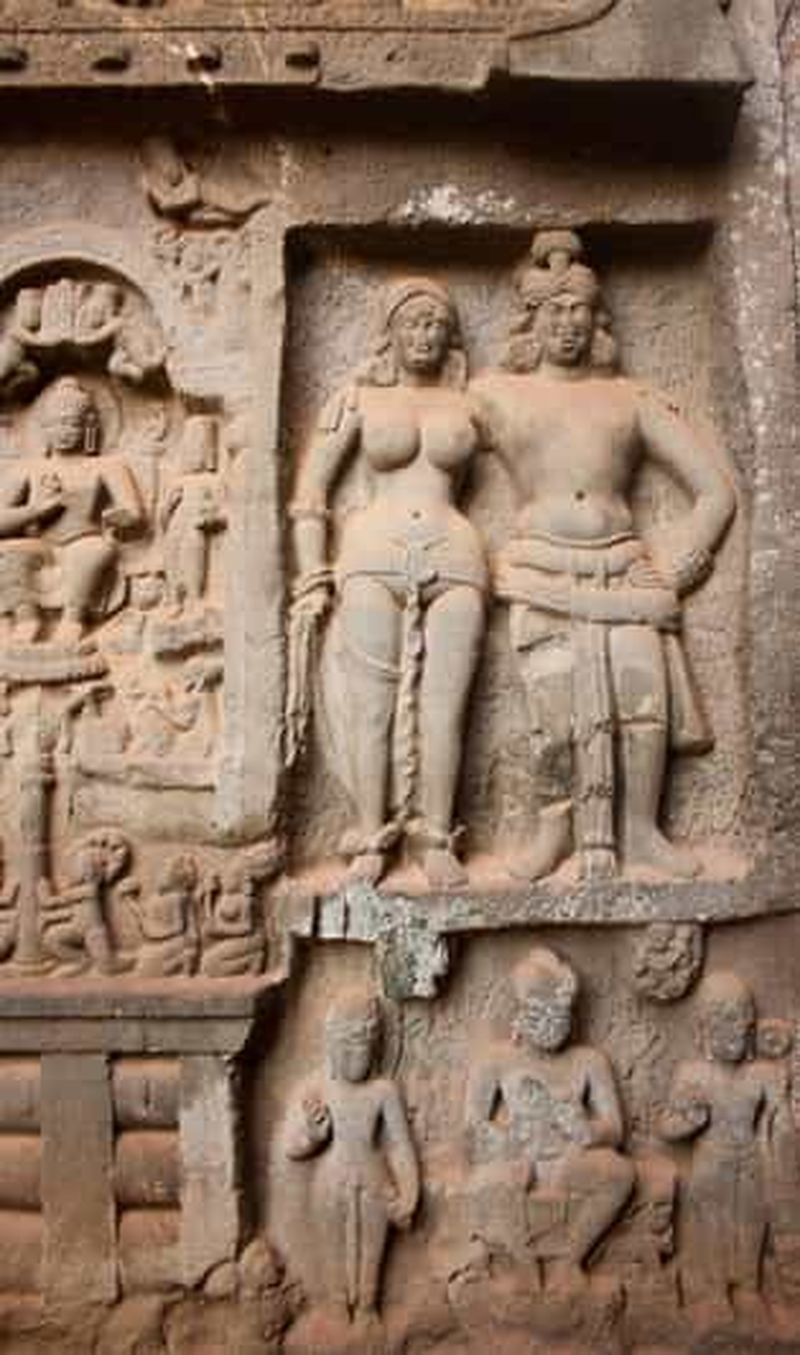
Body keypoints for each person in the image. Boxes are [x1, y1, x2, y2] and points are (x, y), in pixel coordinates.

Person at [471, 231, 736, 881]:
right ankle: (554, 830)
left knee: (644, 705)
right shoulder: (494, 396)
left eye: (579, 311)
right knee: (553, 711)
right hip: (540, 571)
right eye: (554, 311)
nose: (568, 324)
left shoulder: (629, 399)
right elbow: (434, 450)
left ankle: (642, 831)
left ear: (597, 319)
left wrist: (681, 564)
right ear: (531, 320)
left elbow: (713, 491)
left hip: (623, 568)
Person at [288, 278, 487, 887]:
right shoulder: (358, 399)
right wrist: (312, 573)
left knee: (446, 707)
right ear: (390, 333)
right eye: (413, 323)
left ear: (450, 336)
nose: (425, 335)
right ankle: (372, 835)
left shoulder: (472, 404)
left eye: (436, 325)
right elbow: (311, 492)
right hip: (372, 554)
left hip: (456, 555)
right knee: (371, 706)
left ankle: (436, 837)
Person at [465, 948, 634, 1291]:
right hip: (518, 1159)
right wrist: (507, 1139)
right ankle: (523, 1262)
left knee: (620, 1172)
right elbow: (471, 1131)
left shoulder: (590, 1061)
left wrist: (587, 1131)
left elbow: (615, 1128)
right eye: (539, 1013)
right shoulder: (495, 1062)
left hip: (571, 1159)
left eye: (560, 1013)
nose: (551, 1022)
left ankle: (571, 1261)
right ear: (519, 1014)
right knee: (487, 1181)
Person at [283, 992, 420, 1334]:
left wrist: (409, 1193)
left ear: (377, 1046)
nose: (356, 1054)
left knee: (372, 1250)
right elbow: (292, 1149)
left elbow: (400, 1147)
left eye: (364, 1045)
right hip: (329, 1182)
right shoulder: (319, 1089)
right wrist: (313, 1135)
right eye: (347, 1044)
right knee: (333, 1249)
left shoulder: (383, 1091)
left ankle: (367, 1308)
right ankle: (336, 1307)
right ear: (332, 1046)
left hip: (376, 1182)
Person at [659, 972, 786, 1325]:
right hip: (711, 1159)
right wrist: (689, 1120)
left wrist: (783, 1110)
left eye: (743, 1022)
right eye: (725, 1021)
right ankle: (715, 1291)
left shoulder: (763, 1074)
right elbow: (666, 1127)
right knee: (713, 1224)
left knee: (752, 1220)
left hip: (752, 1158)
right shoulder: (692, 1074)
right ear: (704, 1028)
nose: (737, 1031)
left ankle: (749, 1288)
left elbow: (781, 1122)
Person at [0, 376, 144, 643]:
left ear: (88, 427)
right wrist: (36, 510)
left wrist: (117, 517)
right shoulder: (29, 469)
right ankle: (26, 619)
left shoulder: (107, 466)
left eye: (71, 424)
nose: (63, 432)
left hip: (84, 540)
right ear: (44, 429)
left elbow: (134, 512)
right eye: (56, 424)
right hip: (40, 545)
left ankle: (73, 619)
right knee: (9, 552)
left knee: (93, 550)